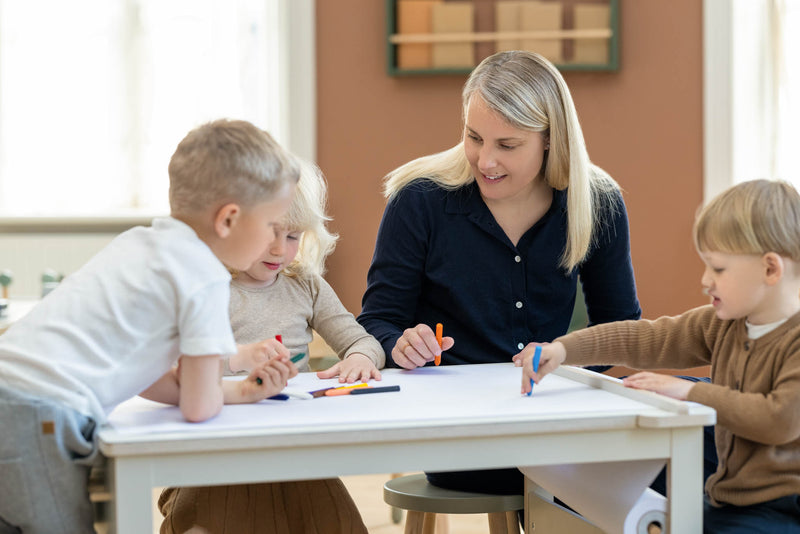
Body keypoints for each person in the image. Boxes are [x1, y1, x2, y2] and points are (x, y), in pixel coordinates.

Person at [357, 50, 641, 497]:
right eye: (474, 138)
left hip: (553, 417)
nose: (485, 160)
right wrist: (401, 346)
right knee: (587, 490)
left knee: (628, 483)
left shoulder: (598, 202)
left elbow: (620, 326)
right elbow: (377, 322)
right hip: (458, 434)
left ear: (550, 139)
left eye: (507, 145)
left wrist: (563, 355)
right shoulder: (420, 202)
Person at [0, 118, 300, 534]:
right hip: (37, 415)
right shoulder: (204, 277)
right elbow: (199, 406)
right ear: (229, 219)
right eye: (271, 224)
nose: (274, 239)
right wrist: (231, 393)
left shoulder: (138, 244)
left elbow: (148, 377)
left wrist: (243, 391)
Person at [519, 179, 800, 533]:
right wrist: (564, 349)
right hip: (727, 499)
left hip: (782, 510)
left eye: (719, 268)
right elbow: (647, 338)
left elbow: (778, 419)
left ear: (770, 269)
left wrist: (689, 393)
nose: (705, 280)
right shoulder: (724, 324)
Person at [158, 159, 383, 534]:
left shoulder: (305, 285)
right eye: (270, 233)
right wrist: (240, 362)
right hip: (220, 453)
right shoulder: (208, 286)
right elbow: (176, 366)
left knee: (336, 522)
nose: (280, 249)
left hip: (296, 452)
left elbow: (362, 340)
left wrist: (359, 358)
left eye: (293, 236)